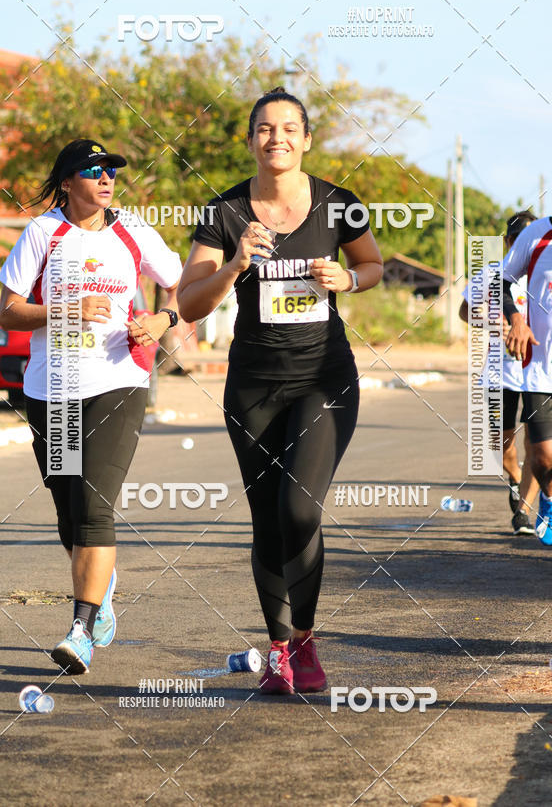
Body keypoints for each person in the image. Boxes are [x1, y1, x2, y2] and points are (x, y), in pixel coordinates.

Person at [178, 88, 383, 694]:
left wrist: (346, 277)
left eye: (289, 128)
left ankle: (307, 639)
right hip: (252, 385)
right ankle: (278, 650)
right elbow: (189, 302)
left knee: (299, 507)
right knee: (267, 515)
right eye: (265, 129)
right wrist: (235, 264)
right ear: (250, 141)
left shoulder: (338, 205)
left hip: (323, 376)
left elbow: (372, 266)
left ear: (308, 138)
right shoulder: (223, 213)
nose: (278, 138)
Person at [0, 139, 182, 674]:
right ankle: (104, 586)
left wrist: (163, 321)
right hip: (51, 387)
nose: (106, 179)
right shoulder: (43, 233)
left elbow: (180, 284)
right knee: (69, 511)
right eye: (93, 170)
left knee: (96, 505)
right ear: (67, 182)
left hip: (118, 381)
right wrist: (65, 309)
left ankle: (80, 628)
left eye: (111, 172)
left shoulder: (133, 231)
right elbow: (8, 313)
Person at [504, 176, 552, 559]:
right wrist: (516, 319)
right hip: (544, 368)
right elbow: (501, 279)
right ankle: (549, 496)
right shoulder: (537, 234)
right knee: (544, 455)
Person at [459, 211, 539, 534]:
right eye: (518, 239)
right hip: (499, 372)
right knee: (500, 443)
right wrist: (495, 324)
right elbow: (465, 310)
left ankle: (524, 511)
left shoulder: (545, 274)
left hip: (537, 372)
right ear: (508, 242)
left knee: (538, 441)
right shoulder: (492, 274)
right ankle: (516, 477)